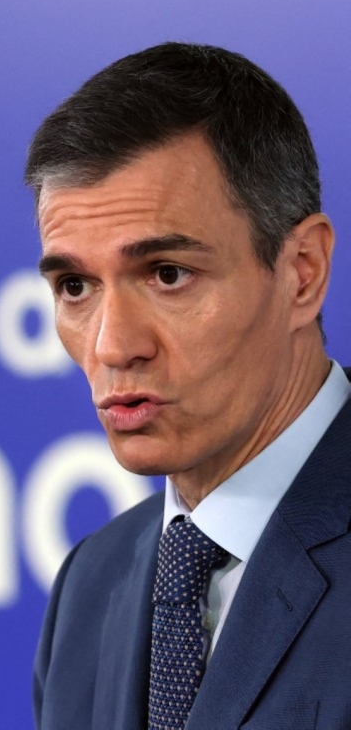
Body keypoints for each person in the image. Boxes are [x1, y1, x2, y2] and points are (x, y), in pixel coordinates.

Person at [27, 42, 351, 729]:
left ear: (302, 272)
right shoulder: (91, 584)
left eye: (167, 273)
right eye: (75, 287)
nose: (113, 345)